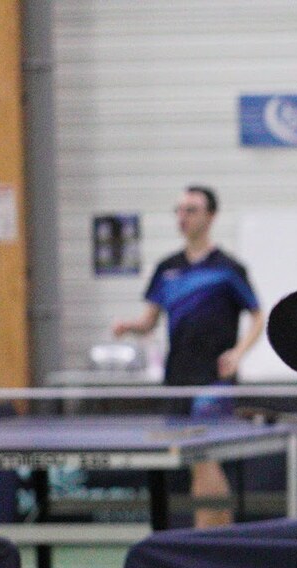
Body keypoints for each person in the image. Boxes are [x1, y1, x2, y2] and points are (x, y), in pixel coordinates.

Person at [112, 185, 264, 528]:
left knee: (203, 457)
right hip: (177, 378)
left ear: (211, 216)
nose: (182, 216)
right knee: (197, 461)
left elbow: (258, 317)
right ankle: (216, 536)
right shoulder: (167, 268)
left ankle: (207, 537)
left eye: (191, 210)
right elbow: (149, 321)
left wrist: (238, 352)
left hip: (214, 378)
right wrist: (129, 327)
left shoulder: (228, 269)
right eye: (179, 210)